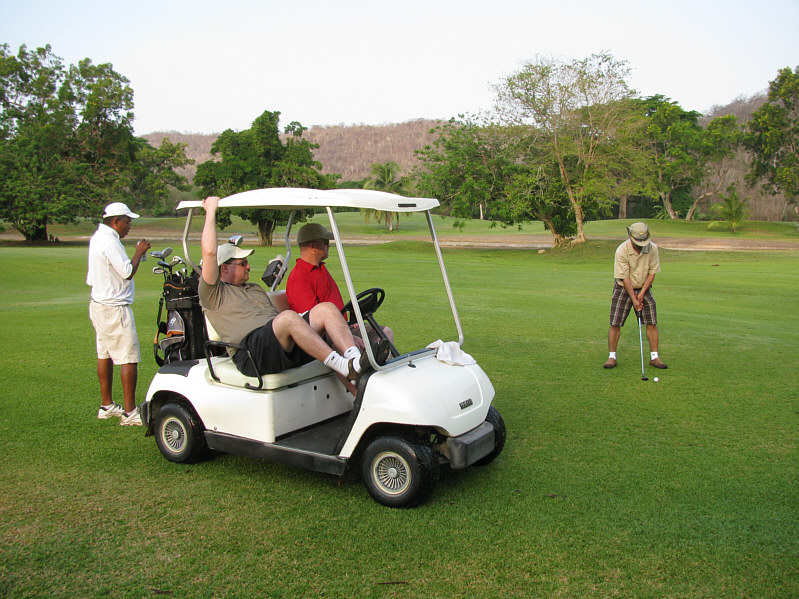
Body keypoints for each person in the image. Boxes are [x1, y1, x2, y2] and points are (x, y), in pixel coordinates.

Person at [198, 197, 389, 386]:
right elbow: (209, 253)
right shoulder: (213, 294)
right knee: (288, 317)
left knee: (327, 309)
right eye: (242, 263)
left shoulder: (254, 288)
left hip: (278, 344)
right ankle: (345, 367)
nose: (248, 267)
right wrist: (211, 212)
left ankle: (355, 362)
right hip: (249, 352)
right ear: (224, 268)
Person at [87, 202, 151, 426]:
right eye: (127, 222)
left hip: (99, 304)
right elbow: (127, 272)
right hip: (114, 307)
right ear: (116, 221)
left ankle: (107, 406)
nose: (129, 226)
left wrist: (137, 255)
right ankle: (129, 412)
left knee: (104, 353)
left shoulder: (98, 237)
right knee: (129, 356)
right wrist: (139, 252)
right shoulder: (110, 241)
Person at [286, 222, 394, 350]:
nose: (329, 245)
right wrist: (348, 336)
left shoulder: (320, 268)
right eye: (326, 242)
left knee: (385, 333)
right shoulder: (299, 277)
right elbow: (312, 325)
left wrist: (348, 322)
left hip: (342, 327)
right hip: (324, 337)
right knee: (358, 346)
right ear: (313, 246)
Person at [604, 222, 668, 370]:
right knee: (615, 323)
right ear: (630, 236)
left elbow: (652, 272)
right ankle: (612, 357)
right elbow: (625, 278)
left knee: (651, 322)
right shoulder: (622, 250)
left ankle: (655, 357)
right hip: (623, 288)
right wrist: (634, 298)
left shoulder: (652, 248)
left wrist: (643, 292)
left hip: (644, 286)